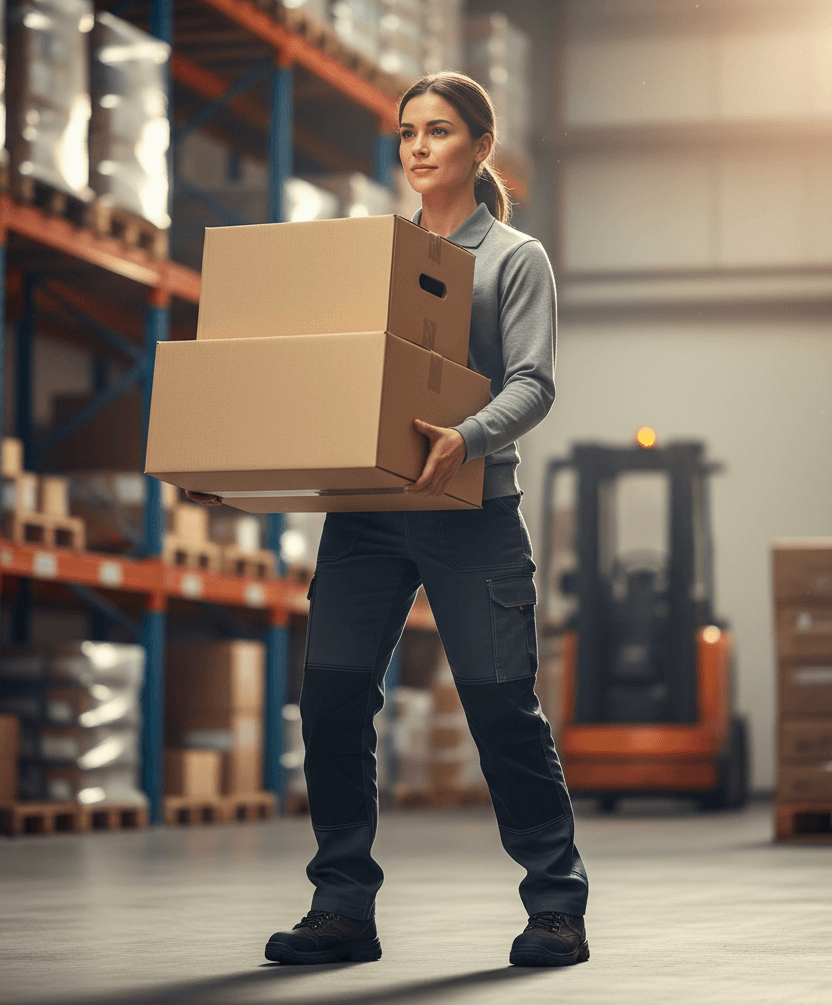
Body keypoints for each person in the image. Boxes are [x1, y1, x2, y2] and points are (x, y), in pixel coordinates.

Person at [186, 71, 589, 969]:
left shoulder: (514, 258)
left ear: (480, 148)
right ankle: (342, 907)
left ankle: (557, 904)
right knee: (329, 700)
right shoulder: (374, 256)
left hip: (472, 510)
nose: (417, 147)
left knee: (500, 708)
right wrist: (236, 461)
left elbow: (535, 383)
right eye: (407, 131)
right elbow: (323, 376)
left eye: (439, 131)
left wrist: (467, 434)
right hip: (367, 514)